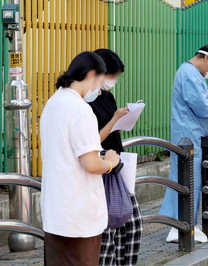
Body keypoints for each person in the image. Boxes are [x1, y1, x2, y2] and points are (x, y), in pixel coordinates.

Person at [40, 51, 121, 264]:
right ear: (92, 75)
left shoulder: (53, 103)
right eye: (100, 81)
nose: (97, 89)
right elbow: (91, 164)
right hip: (79, 215)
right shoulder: (80, 110)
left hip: (55, 212)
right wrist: (111, 162)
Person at [161, 44, 208, 243]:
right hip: (188, 136)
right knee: (188, 180)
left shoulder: (193, 75)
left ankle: (188, 222)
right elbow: (201, 105)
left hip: (193, 135)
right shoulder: (189, 74)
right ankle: (180, 225)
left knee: (192, 180)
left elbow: (207, 95)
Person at [88, 49, 142, 265]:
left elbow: (111, 131)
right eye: (111, 75)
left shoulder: (107, 96)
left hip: (117, 165)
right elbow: (92, 141)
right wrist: (114, 120)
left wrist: (123, 121)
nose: (112, 81)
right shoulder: (84, 102)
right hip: (102, 168)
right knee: (110, 229)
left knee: (132, 224)